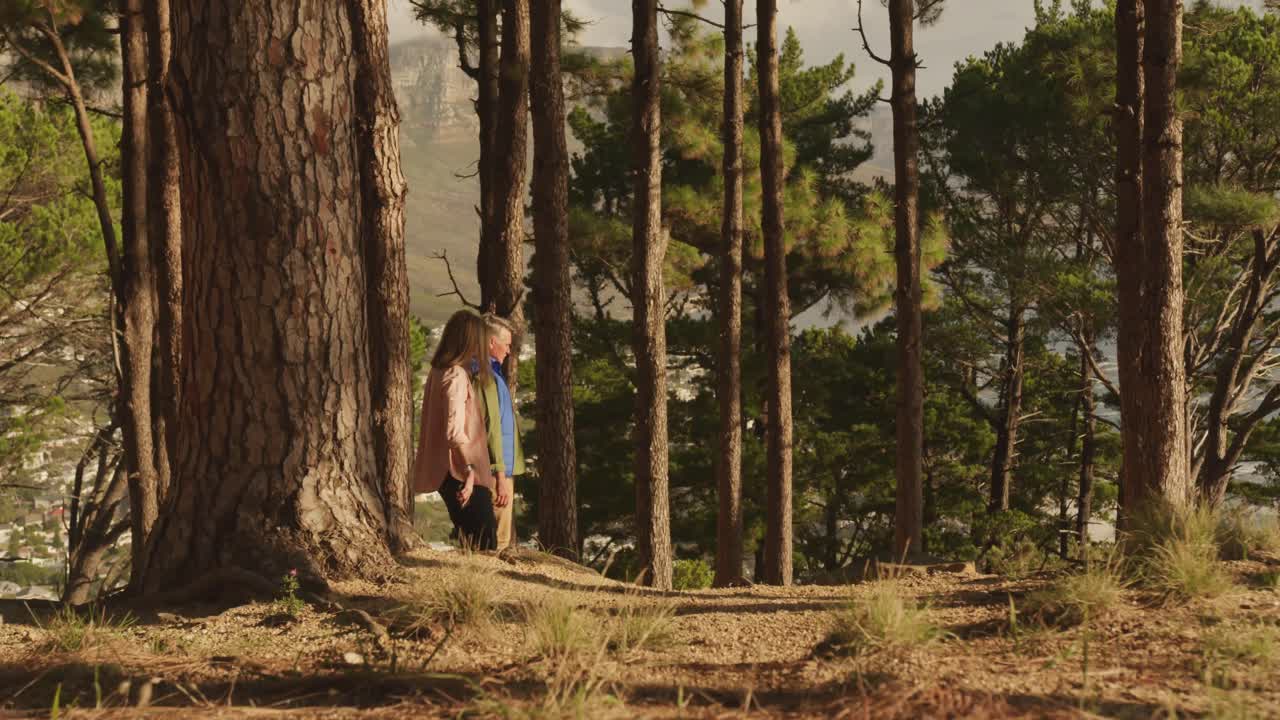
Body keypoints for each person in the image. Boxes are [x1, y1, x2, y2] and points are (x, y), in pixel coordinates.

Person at [411, 310, 497, 550]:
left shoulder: (438, 372)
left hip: (448, 471)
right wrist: (469, 472)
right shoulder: (456, 375)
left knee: (470, 540)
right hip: (460, 471)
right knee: (484, 543)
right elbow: (454, 430)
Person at [478, 314, 524, 551]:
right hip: (496, 470)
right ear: (490, 342)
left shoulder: (493, 373)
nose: (508, 351)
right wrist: (500, 475)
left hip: (499, 467)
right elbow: (491, 427)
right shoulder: (485, 376)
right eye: (506, 344)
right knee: (498, 538)